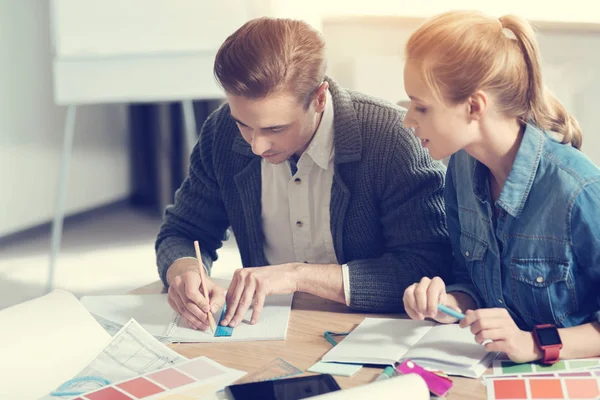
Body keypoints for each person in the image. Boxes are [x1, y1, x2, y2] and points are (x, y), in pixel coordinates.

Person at [156, 17, 451, 331]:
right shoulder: (221, 132)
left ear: (319, 97)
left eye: (275, 128)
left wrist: (296, 276)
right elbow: (183, 232)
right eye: (244, 123)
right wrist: (184, 271)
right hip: (264, 329)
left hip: (369, 332)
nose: (256, 146)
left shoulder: (392, 138)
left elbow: (427, 266)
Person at [401, 11, 600, 363]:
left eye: (421, 107)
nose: (407, 120)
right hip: (491, 372)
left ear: (474, 106)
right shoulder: (461, 169)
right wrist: (450, 303)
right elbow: (470, 279)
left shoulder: (578, 191)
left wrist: (535, 345)